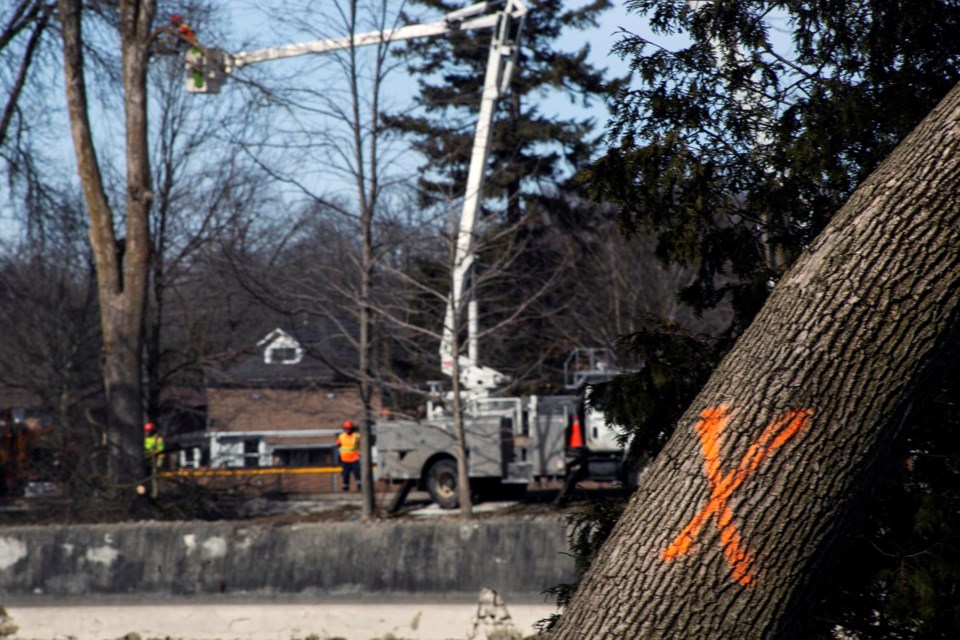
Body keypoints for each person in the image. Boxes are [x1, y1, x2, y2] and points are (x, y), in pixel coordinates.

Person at [336, 420, 360, 492]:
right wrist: (340, 455)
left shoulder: (357, 436)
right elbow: (338, 446)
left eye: (348, 428)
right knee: (345, 475)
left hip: (355, 458)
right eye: (346, 428)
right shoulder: (341, 436)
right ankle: (345, 488)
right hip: (345, 460)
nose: (347, 430)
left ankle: (360, 487)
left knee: (357, 474)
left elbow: (361, 445)